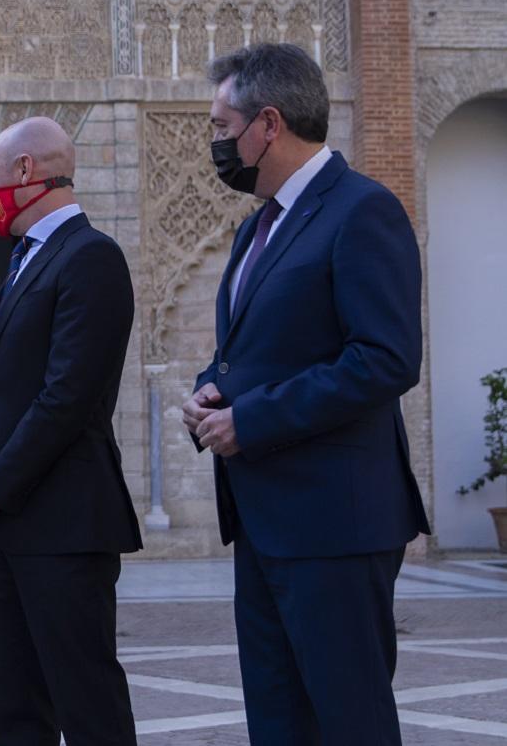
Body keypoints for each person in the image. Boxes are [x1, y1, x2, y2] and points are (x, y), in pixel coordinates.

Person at [182, 43, 430, 745]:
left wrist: (251, 420)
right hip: (264, 523)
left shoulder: (362, 211)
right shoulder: (256, 227)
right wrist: (209, 394)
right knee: (278, 720)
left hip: (335, 525)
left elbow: (385, 359)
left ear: (268, 123)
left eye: (221, 127)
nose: (216, 143)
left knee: (348, 722)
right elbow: (246, 356)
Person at [0, 116, 142, 745]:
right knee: (16, 704)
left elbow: (67, 400)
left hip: (66, 527)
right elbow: (1, 396)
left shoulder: (91, 257)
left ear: (27, 172)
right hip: (6, 530)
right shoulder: (24, 262)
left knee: (86, 703)